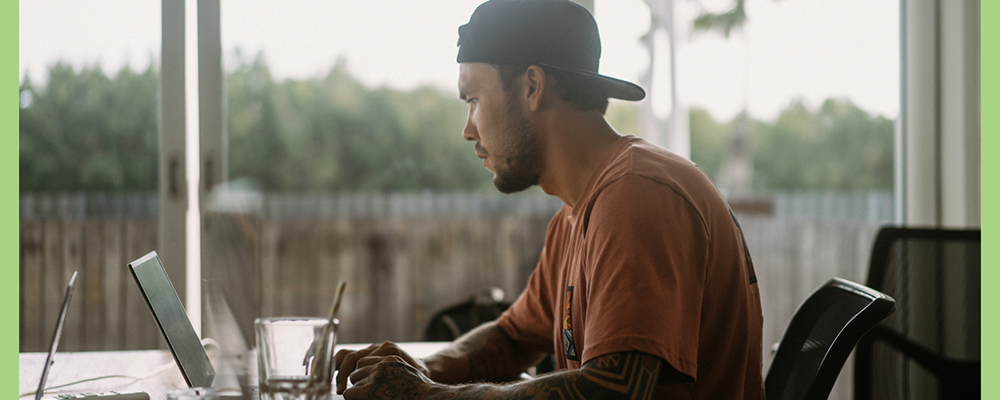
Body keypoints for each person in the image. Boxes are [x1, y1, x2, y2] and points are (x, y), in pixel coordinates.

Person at [334, 0, 764, 399]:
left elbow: (615, 389)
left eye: (474, 99)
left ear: (532, 86)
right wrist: (420, 369)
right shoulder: (579, 212)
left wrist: (429, 396)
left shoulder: (637, 195)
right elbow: (514, 338)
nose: (468, 129)